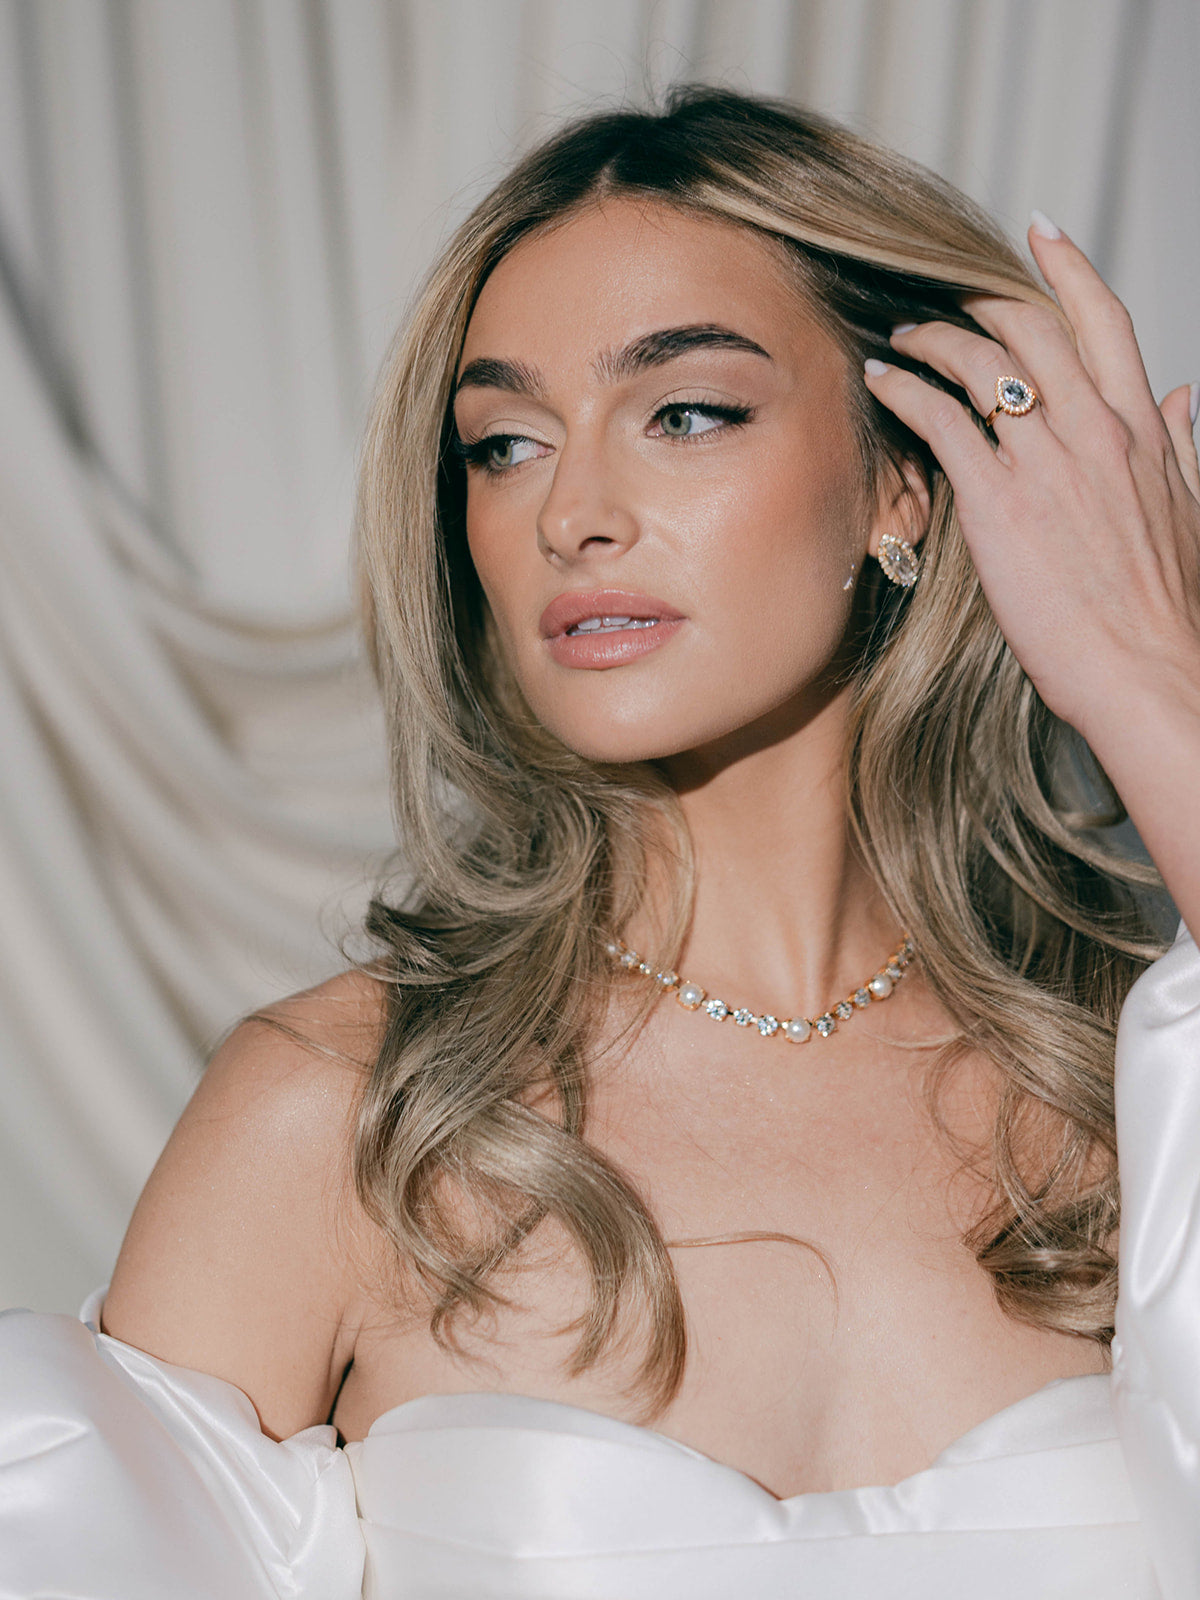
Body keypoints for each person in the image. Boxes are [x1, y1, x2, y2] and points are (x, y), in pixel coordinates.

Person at [2, 84, 1199, 1599]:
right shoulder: (345, 1120)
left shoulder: (1140, 1091)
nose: (572, 511)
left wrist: (1158, 691)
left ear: (906, 483)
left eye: (686, 412)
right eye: (503, 444)